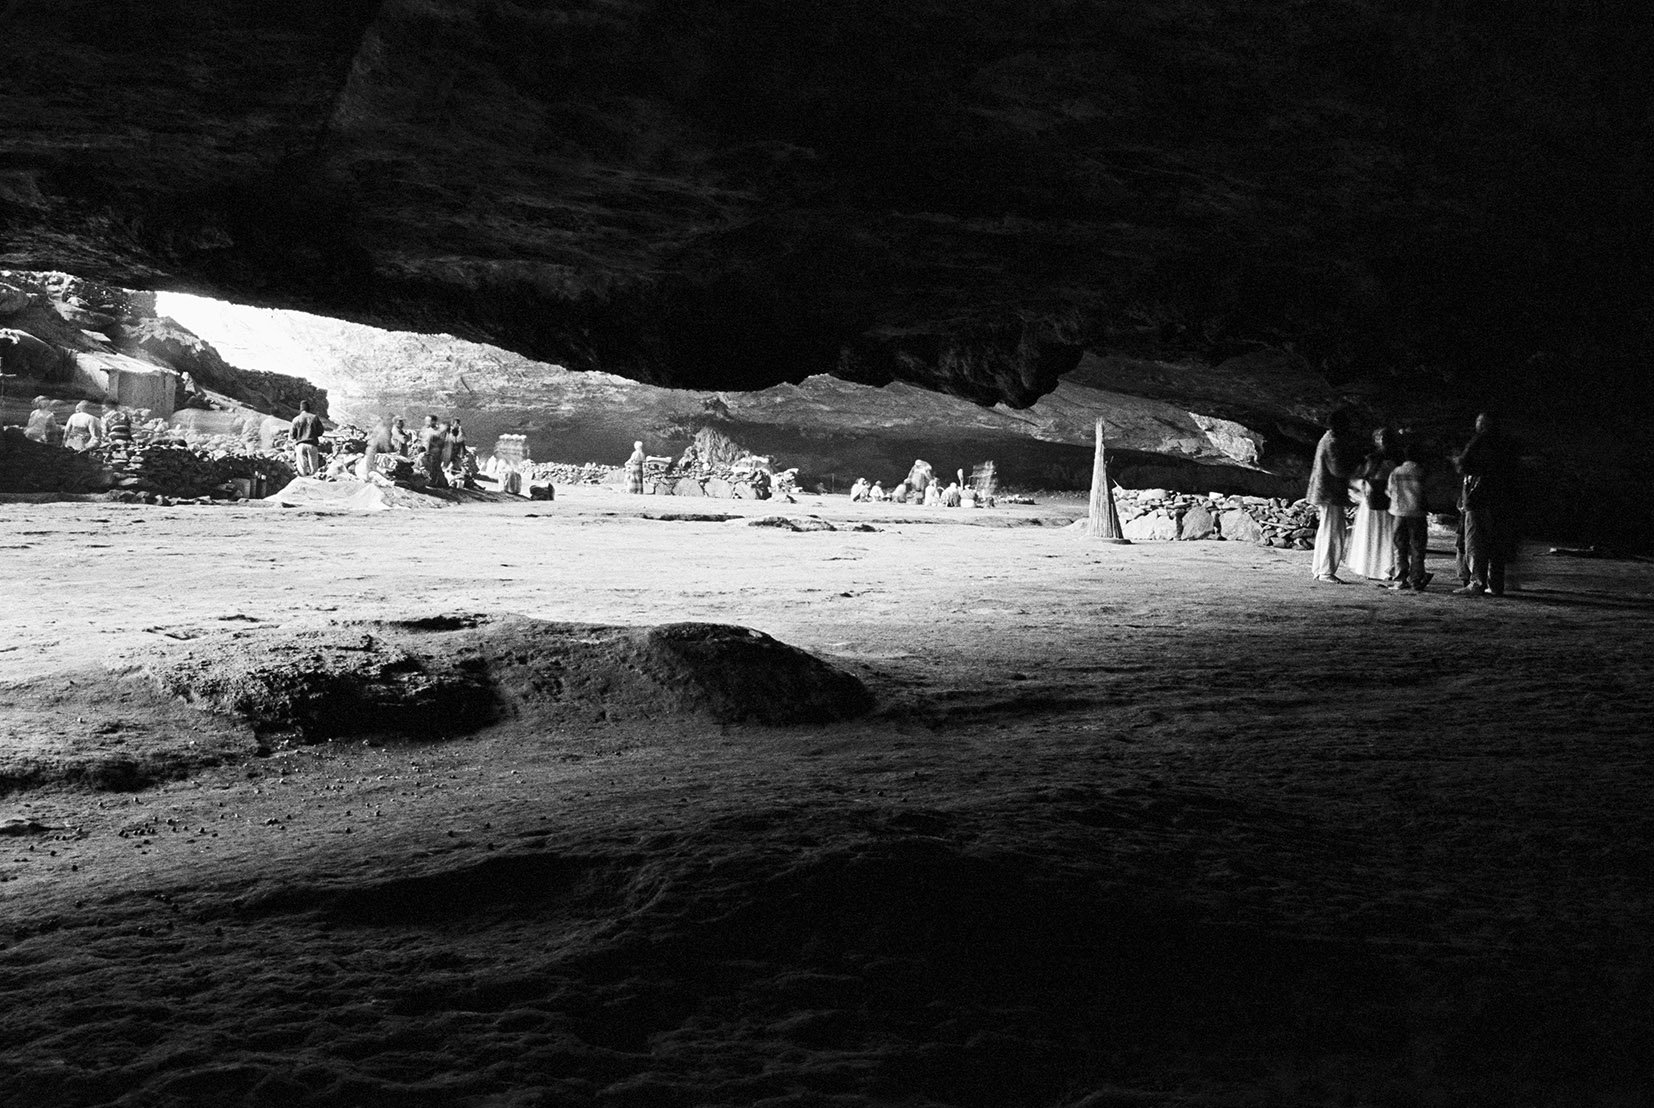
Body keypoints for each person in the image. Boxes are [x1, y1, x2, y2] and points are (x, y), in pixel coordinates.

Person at [1453, 411, 1518, 596]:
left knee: (1475, 543)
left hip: (1478, 501)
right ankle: (1496, 584)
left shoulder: (1478, 443)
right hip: (1501, 501)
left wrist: (1459, 461)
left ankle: (1477, 582)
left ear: (1482, 425)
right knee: (1496, 544)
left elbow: (1463, 464)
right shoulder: (1506, 444)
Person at [1344, 427, 1401, 581]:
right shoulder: (1372, 458)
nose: (1382, 441)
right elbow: (1361, 477)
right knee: (1373, 533)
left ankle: (1385, 568)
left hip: (1385, 498)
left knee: (1384, 533)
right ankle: (1371, 568)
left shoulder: (1394, 458)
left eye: (1385, 438)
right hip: (1373, 498)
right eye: (1379, 438)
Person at [1307, 409, 1356, 582]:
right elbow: (1338, 469)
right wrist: (1358, 469)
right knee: (1333, 531)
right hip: (1329, 492)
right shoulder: (1332, 442)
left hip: (1325, 492)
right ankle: (1326, 572)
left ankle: (1319, 569)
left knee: (1327, 530)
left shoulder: (1327, 438)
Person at [1386, 442, 1431, 591]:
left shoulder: (1396, 472)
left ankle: (1400, 580)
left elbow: (1389, 490)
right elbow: (1427, 493)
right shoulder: (1422, 472)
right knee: (1418, 547)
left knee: (1399, 547)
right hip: (1417, 514)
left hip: (1399, 514)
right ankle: (1416, 580)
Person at [289, 399, 323, 477]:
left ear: (301, 409)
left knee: (302, 467)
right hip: (312, 445)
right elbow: (320, 431)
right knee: (314, 468)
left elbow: (292, 435)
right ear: (308, 408)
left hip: (300, 445)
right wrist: (313, 434)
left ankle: (303, 482)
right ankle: (314, 483)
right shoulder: (314, 417)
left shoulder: (296, 419)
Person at [418, 415, 448, 488]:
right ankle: (430, 481)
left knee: (435, 468)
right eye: (426, 420)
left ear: (434, 421)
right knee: (426, 467)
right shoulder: (425, 429)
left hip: (435, 453)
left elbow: (442, 443)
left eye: (428, 421)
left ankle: (440, 483)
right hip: (425, 452)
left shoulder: (439, 431)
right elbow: (421, 439)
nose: (426, 422)